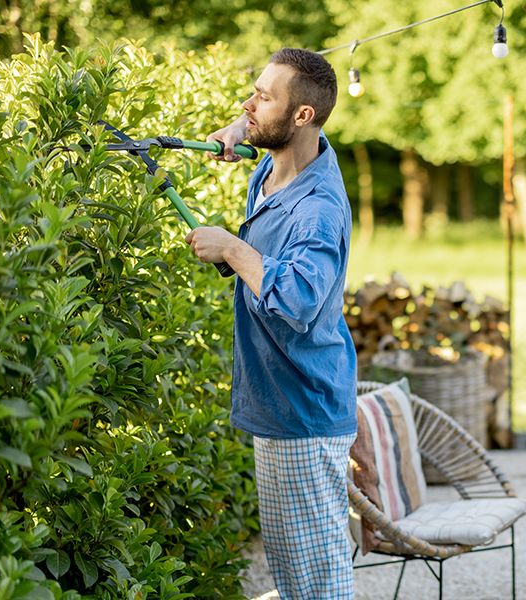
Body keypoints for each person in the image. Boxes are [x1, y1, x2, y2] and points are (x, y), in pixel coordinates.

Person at [185, 48, 357, 599]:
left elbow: (298, 299)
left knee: (315, 585)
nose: (248, 103)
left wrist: (233, 249)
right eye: (253, 91)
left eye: (264, 97)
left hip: (301, 412)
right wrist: (243, 126)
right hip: (280, 405)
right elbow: (266, 123)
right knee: (293, 573)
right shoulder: (277, 165)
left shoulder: (319, 207)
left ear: (302, 116)